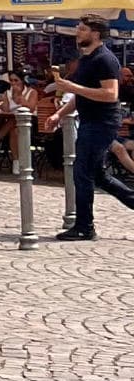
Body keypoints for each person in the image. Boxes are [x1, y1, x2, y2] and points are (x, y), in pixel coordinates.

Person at [51, 15, 134, 241]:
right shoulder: (87, 58)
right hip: (91, 121)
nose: (77, 32)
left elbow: (110, 94)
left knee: (82, 173)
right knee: (99, 176)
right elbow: (81, 95)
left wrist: (72, 86)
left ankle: (84, 226)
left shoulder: (105, 59)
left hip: (101, 123)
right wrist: (59, 114)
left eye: (82, 29)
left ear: (95, 33)